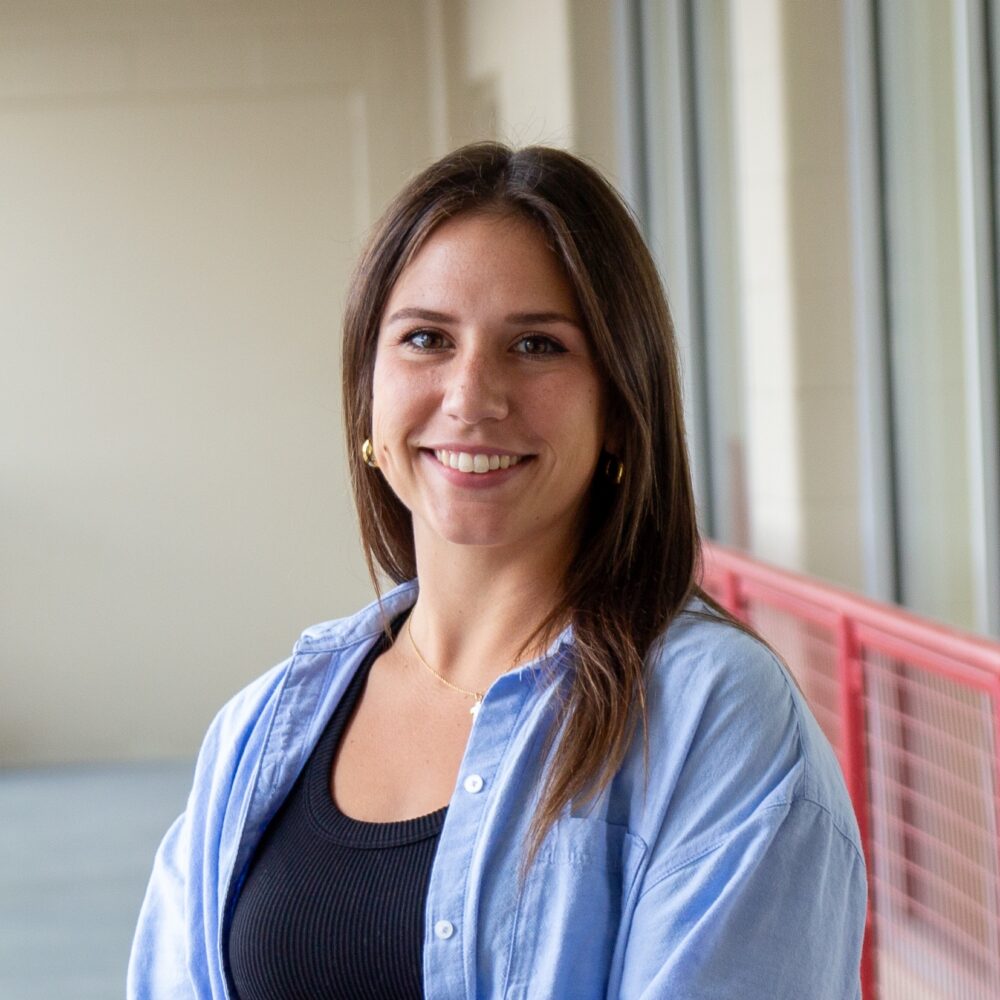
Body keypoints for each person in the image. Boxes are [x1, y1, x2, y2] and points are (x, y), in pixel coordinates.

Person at [128, 143, 867, 999]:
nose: (472, 396)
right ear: (368, 399)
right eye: (425, 339)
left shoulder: (713, 716)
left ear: (622, 410)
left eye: (536, 345)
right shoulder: (257, 735)